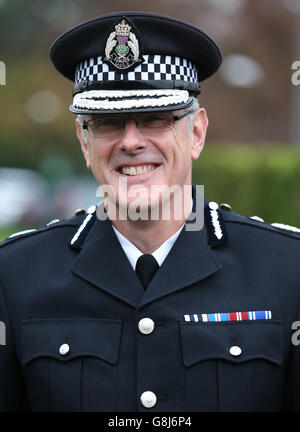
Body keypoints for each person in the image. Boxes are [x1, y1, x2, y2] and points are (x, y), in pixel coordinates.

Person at [0, 11, 300, 413]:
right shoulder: (15, 275)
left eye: (156, 119)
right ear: (84, 141)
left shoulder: (286, 270)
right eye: (108, 122)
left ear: (196, 133)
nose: (131, 142)